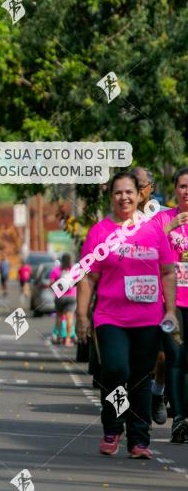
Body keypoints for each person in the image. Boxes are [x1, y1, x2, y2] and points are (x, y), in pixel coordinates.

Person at [76, 171, 177, 458]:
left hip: (148, 318)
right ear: (111, 197)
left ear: (139, 196)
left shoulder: (154, 230)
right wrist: (82, 315)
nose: (124, 197)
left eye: (129, 192)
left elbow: (168, 272)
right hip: (110, 317)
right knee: (117, 370)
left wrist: (170, 309)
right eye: (118, 192)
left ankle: (139, 440)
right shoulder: (100, 232)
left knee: (140, 379)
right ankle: (113, 428)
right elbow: (88, 277)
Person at [131, 167, 169, 427]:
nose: (138, 190)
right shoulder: (123, 217)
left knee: (163, 355)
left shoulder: (166, 215)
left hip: (161, 290)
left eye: (141, 185)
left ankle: (157, 392)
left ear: (151, 188)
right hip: (128, 292)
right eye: (134, 184)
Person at [153, 166, 188, 442]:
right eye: (183, 186)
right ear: (175, 189)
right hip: (172, 302)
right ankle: (179, 418)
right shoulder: (163, 219)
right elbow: (148, 248)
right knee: (175, 358)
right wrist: (169, 228)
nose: (187, 191)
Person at [50, 254, 77, 347]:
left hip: (59, 297)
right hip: (71, 297)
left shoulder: (56, 270)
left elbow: (52, 283)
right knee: (70, 318)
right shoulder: (73, 270)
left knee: (59, 316)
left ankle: (59, 337)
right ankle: (68, 339)